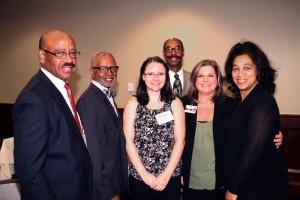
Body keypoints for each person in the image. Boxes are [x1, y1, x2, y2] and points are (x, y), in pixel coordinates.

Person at [180, 59, 284, 200]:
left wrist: (275, 135)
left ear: (217, 79)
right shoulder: (181, 104)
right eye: (200, 75)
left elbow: (254, 130)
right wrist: (178, 172)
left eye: (210, 75)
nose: (205, 80)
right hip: (188, 180)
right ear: (194, 80)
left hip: (223, 180)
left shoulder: (232, 105)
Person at [12, 30, 93, 200]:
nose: (69, 60)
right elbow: (29, 172)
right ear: (42, 56)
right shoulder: (34, 99)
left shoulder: (62, 89)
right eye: (60, 53)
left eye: (72, 53)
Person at [223, 41, 288, 200]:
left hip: (258, 186)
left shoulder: (263, 102)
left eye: (247, 67)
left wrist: (234, 189)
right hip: (242, 180)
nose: (240, 73)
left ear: (258, 70)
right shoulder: (239, 102)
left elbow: (253, 151)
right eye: (235, 68)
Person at [123, 56, 185, 200]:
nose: (155, 78)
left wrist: (166, 175)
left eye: (160, 74)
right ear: (143, 77)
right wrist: (145, 175)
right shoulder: (133, 104)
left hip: (169, 178)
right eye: (150, 74)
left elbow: (180, 141)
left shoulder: (175, 103)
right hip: (140, 178)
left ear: (166, 76)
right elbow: (129, 141)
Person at [76, 51, 128, 200]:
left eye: (113, 68)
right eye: (103, 69)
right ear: (92, 71)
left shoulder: (107, 95)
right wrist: (109, 192)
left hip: (115, 178)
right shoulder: (88, 102)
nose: (110, 73)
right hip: (103, 187)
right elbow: (92, 152)